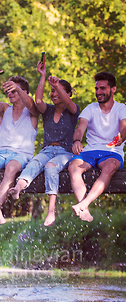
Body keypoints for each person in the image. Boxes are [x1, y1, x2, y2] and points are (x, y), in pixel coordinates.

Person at [10, 59, 80, 226]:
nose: (54, 94)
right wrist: (43, 77)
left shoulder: (72, 110)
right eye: (52, 91)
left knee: (50, 167)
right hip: (47, 150)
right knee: (34, 163)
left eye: (57, 91)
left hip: (65, 152)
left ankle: (51, 211)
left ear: (68, 94)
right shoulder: (48, 110)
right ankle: (18, 188)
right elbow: (38, 101)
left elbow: (69, 103)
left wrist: (57, 85)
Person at [0, 74, 39, 226]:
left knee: (11, 168)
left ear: (23, 91)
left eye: (14, 91)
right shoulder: (5, 108)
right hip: (0, 153)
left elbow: (32, 105)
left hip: (21, 155)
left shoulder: (33, 111)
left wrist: (18, 89)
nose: (10, 94)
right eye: (9, 91)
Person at [68, 72, 126, 222]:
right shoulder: (90, 108)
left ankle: (83, 204)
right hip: (90, 151)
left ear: (113, 89)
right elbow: (80, 128)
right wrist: (76, 141)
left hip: (112, 152)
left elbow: (124, 128)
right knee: (73, 166)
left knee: (109, 167)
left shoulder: (121, 108)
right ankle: (84, 208)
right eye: (96, 89)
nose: (98, 92)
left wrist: (121, 137)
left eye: (102, 88)